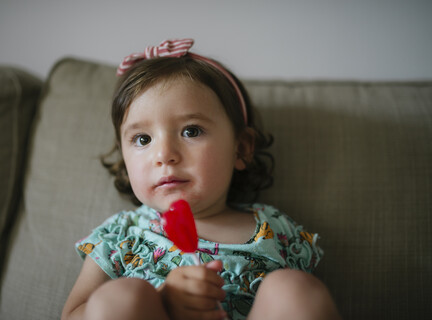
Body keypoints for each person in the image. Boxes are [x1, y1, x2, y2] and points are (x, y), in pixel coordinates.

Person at [62, 39, 341, 320]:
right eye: (143, 139)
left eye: (191, 131)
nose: (164, 155)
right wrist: (162, 301)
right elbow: (72, 314)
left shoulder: (276, 230)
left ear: (241, 148)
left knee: (293, 289)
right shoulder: (121, 236)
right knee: (119, 298)